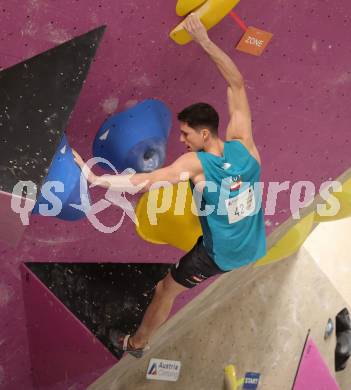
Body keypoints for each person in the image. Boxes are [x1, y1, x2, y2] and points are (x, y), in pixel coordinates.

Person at [73, 14, 266, 358]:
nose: (180, 139)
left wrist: (94, 177)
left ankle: (135, 344)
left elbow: (148, 180)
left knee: (165, 289)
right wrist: (204, 40)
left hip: (222, 254)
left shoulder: (197, 165)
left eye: (186, 134)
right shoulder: (244, 144)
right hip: (252, 239)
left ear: (204, 134)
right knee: (203, 210)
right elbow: (236, 84)